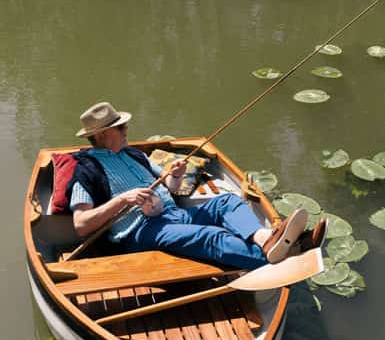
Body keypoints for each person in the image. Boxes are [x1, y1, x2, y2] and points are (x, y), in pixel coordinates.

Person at [68, 102, 327, 270]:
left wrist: (177, 174)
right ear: (101, 135)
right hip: (140, 232)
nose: (126, 129)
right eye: (120, 127)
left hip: (173, 214)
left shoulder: (134, 154)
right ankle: (290, 255)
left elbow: (170, 185)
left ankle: (266, 240)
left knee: (226, 202)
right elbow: (81, 225)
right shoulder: (86, 169)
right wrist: (123, 199)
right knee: (209, 236)